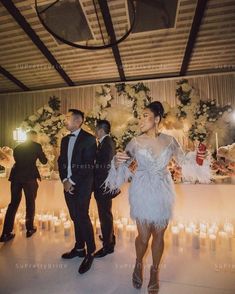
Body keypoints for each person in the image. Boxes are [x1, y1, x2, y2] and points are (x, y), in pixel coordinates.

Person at [104, 101, 204, 293]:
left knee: (159, 234)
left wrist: (200, 157)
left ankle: (154, 271)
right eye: (140, 115)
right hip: (141, 190)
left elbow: (185, 162)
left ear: (156, 119)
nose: (140, 119)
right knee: (143, 236)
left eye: (145, 115)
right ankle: (138, 263)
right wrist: (116, 162)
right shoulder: (135, 141)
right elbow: (122, 166)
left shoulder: (170, 141)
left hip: (162, 191)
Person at [58, 109, 97, 274]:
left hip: (82, 185)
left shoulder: (89, 139)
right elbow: (61, 161)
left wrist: (72, 181)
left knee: (82, 216)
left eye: (67, 118)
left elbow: (88, 165)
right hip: (67, 185)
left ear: (78, 121)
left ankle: (90, 252)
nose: (65, 121)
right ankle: (79, 248)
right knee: (75, 217)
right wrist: (64, 181)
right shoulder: (65, 139)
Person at [0, 130, 47, 242]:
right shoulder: (36, 146)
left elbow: (18, 161)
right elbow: (44, 161)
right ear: (34, 137)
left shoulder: (18, 147)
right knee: (30, 202)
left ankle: (5, 233)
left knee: (13, 203)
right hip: (29, 177)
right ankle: (29, 229)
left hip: (16, 177)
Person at [94, 120, 118, 258]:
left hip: (103, 185)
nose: (95, 132)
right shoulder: (105, 142)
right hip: (104, 185)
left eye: (96, 130)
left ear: (101, 130)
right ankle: (110, 238)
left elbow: (104, 166)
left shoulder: (107, 144)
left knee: (105, 216)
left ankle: (108, 247)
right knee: (106, 214)